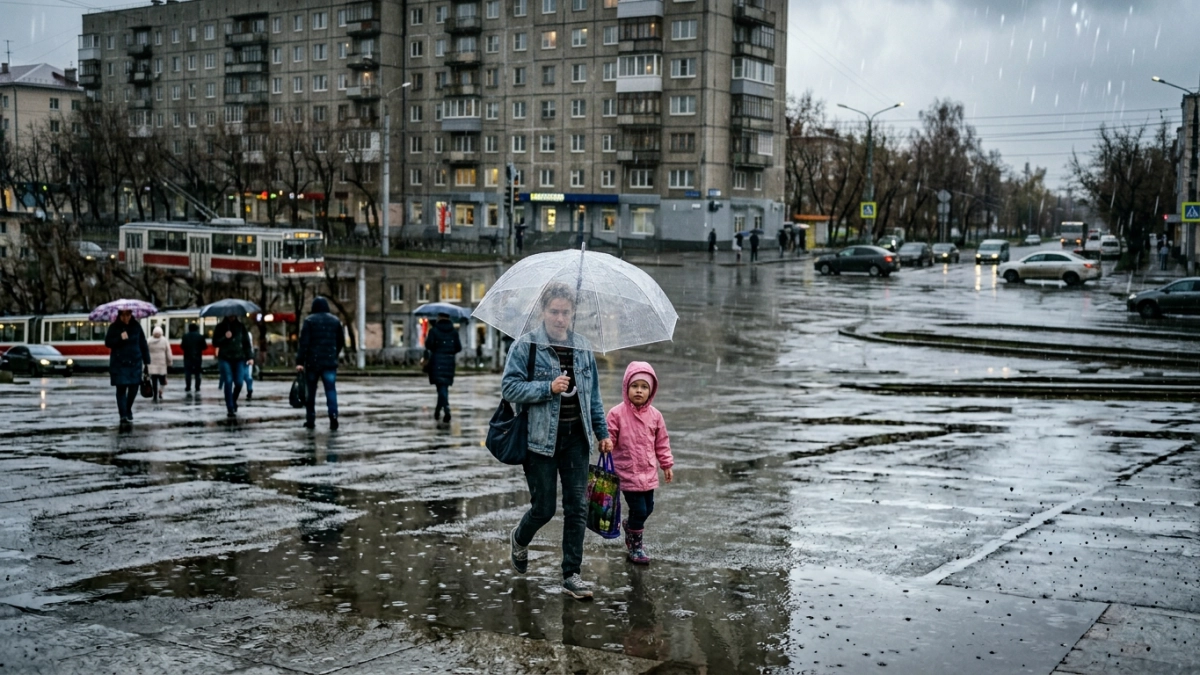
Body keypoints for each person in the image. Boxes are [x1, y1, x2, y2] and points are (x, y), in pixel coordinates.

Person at [504, 282, 612, 601]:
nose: (560, 318)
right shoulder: (527, 346)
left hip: (576, 440)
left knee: (577, 507)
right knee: (544, 508)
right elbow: (509, 388)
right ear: (543, 311)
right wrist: (546, 388)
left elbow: (593, 398)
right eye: (554, 311)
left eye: (566, 312)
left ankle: (571, 574)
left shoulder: (582, 347)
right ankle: (520, 539)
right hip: (539, 442)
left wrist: (602, 432)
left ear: (573, 313)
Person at [605, 361, 674, 565]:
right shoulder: (616, 414)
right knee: (640, 510)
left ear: (651, 391)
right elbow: (610, 436)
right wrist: (607, 442)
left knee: (649, 508)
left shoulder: (655, 416)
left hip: (648, 472)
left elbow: (662, 443)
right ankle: (636, 546)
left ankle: (630, 526)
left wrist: (666, 464)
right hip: (627, 472)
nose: (639, 391)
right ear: (626, 387)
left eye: (644, 387)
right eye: (635, 386)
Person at [296, 296, 344, 430]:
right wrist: (333, 354)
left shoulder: (309, 321)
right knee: (330, 390)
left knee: (310, 392)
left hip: (313, 362)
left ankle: (310, 419)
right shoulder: (335, 321)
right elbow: (340, 341)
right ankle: (333, 417)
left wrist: (300, 361)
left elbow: (303, 343)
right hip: (329, 362)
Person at [104, 309, 150, 425]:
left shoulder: (137, 327)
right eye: (123, 315)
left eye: (128, 315)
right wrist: (119, 338)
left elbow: (143, 343)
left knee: (134, 387)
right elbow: (108, 342)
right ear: (119, 316)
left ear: (131, 315)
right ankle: (123, 414)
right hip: (119, 363)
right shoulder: (114, 327)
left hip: (135, 362)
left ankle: (128, 408)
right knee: (121, 388)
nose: (126, 318)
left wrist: (147, 361)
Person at [212, 314, 253, 417]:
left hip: (239, 358)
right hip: (225, 358)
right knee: (228, 381)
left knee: (239, 382)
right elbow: (215, 342)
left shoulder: (241, 327)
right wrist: (225, 337)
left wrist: (250, 357)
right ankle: (230, 407)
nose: (232, 317)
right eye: (230, 315)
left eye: (234, 315)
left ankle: (233, 399)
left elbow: (246, 343)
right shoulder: (220, 327)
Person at [425, 311, 463, 423]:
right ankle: (437, 410)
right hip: (449, 361)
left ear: (439, 317)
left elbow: (428, 345)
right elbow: (458, 347)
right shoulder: (454, 332)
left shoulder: (434, 331)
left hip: (436, 361)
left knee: (441, 387)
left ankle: (446, 409)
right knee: (443, 386)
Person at [146, 325, 173, 402]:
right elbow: (168, 352)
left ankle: (155, 394)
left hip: (152, 364)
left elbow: (145, 351)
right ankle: (161, 391)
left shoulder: (149, 340)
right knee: (162, 380)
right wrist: (170, 362)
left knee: (154, 380)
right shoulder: (164, 340)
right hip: (162, 364)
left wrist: (145, 362)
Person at [181, 322, 207, 393]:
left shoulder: (185, 336)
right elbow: (204, 347)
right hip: (198, 357)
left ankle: (188, 387)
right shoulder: (200, 336)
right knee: (197, 373)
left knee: (188, 373)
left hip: (187, 357)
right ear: (197, 329)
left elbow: (182, 346)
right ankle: (197, 387)